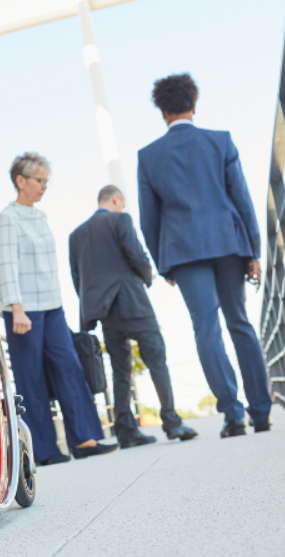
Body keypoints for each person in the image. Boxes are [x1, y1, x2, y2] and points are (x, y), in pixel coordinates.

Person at [137, 73, 272, 438]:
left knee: (206, 329)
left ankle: (233, 415)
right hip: (229, 243)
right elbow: (241, 199)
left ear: (162, 111)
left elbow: (148, 218)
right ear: (193, 106)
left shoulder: (148, 157)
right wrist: (254, 251)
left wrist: (162, 262)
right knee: (240, 323)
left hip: (183, 252)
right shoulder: (220, 141)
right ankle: (262, 413)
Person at [0, 152, 119, 465]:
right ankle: (45, 450)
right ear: (20, 181)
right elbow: (6, 267)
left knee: (69, 368)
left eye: (46, 182)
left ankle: (86, 440)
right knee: (31, 378)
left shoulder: (42, 217)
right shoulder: (7, 218)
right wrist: (17, 309)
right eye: (39, 181)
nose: (43, 187)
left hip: (52, 307)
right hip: (23, 311)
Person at [69, 185, 197, 447]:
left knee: (120, 369)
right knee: (156, 359)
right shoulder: (121, 219)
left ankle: (126, 431)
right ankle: (171, 422)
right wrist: (147, 277)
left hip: (103, 312)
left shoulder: (76, 234)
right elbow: (136, 254)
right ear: (116, 200)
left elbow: (76, 277)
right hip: (132, 302)